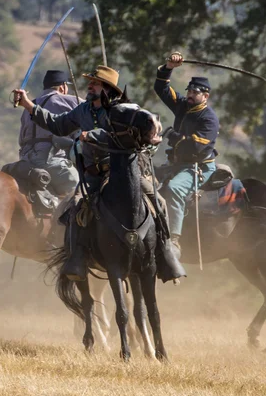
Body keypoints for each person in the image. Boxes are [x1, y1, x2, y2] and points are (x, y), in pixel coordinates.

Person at [13, 65, 186, 282]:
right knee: (74, 207)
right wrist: (28, 104)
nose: (90, 85)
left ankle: (167, 255)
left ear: (107, 88)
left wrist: (99, 134)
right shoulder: (83, 110)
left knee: (158, 202)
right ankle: (76, 258)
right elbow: (58, 125)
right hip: (94, 173)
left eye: (95, 83)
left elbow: (150, 124)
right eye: (91, 82)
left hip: (125, 173)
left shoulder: (125, 109)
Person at [154, 51, 220, 250]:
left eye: (195, 92)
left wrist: (176, 137)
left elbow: (197, 147)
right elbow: (161, 88)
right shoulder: (184, 106)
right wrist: (168, 68)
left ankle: (173, 239)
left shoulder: (209, 119)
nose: (190, 95)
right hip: (176, 164)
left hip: (197, 167)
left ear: (205, 96)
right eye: (189, 91)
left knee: (174, 189)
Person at [18, 70, 80, 198]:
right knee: (81, 193)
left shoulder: (28, 106)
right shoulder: (72, 101)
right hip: (51, 162)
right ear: (63, 86)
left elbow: (21, 139)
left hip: (25, 162)